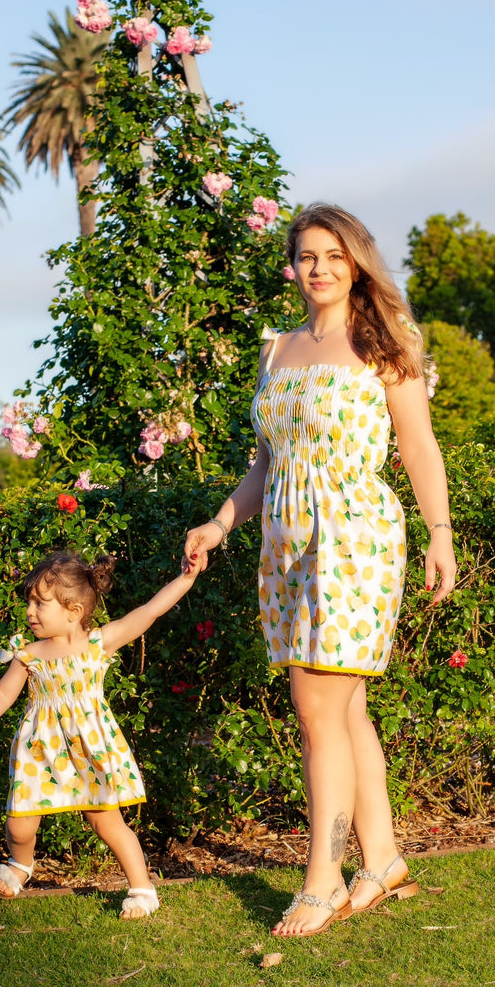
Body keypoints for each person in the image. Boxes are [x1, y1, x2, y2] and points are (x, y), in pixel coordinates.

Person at [183, 203, 457, 937]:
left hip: (354, 539)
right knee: (344, 711)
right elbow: (264, 463)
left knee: (315, 711)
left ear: (356, 261)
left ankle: (321, 880)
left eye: (334, 255)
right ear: (291, 266)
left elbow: (418, 447)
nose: (320, 268)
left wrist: (440, 534)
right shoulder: (276, 352)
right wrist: (218, 523)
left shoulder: (383, 341)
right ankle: (384, 858)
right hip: (287, 543)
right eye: (307, 256)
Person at [0, 549, 200, 918]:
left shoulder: (97, 644)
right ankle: (20, 865)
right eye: (29, 602)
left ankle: (142, 889)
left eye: (40, 603)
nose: (30, 611)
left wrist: (186, 579)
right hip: (39, 754)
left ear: (74, 611)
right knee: (18, 823)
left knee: (106, 822)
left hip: (87, 749)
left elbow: (148, 612)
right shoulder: (29, 654)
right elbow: (5, 690)